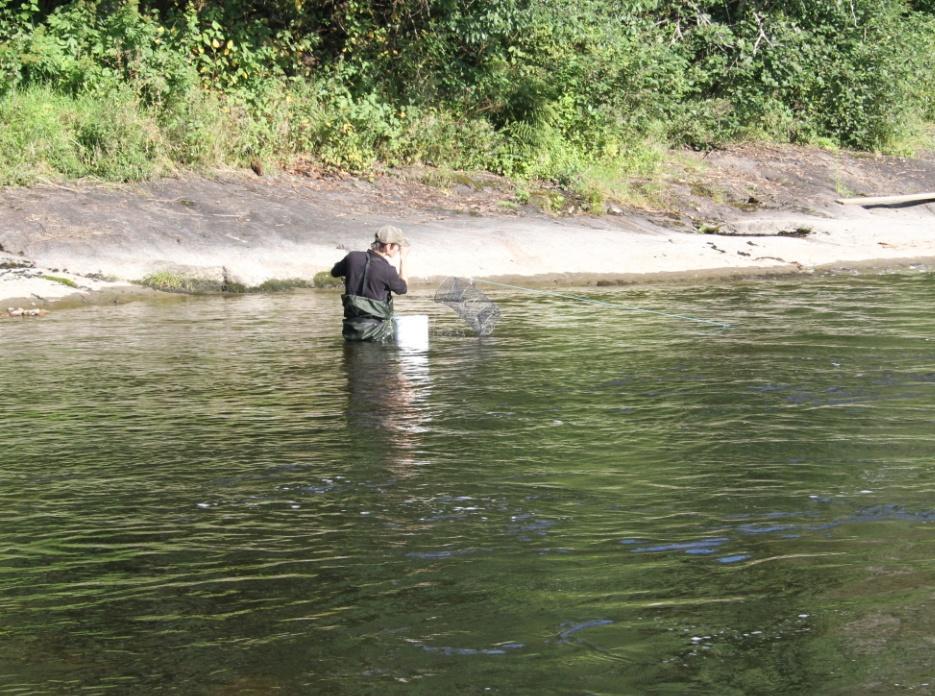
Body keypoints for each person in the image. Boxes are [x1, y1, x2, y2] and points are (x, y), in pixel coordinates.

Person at [330, 225, 410, 341]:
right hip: (376, 335)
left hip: (351, 331)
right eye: (398, 246)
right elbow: (403, 289)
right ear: (388, 246)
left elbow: (335, 272)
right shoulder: (387, 270)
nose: (398, 250)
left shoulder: (352, 257)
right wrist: (404, 258)